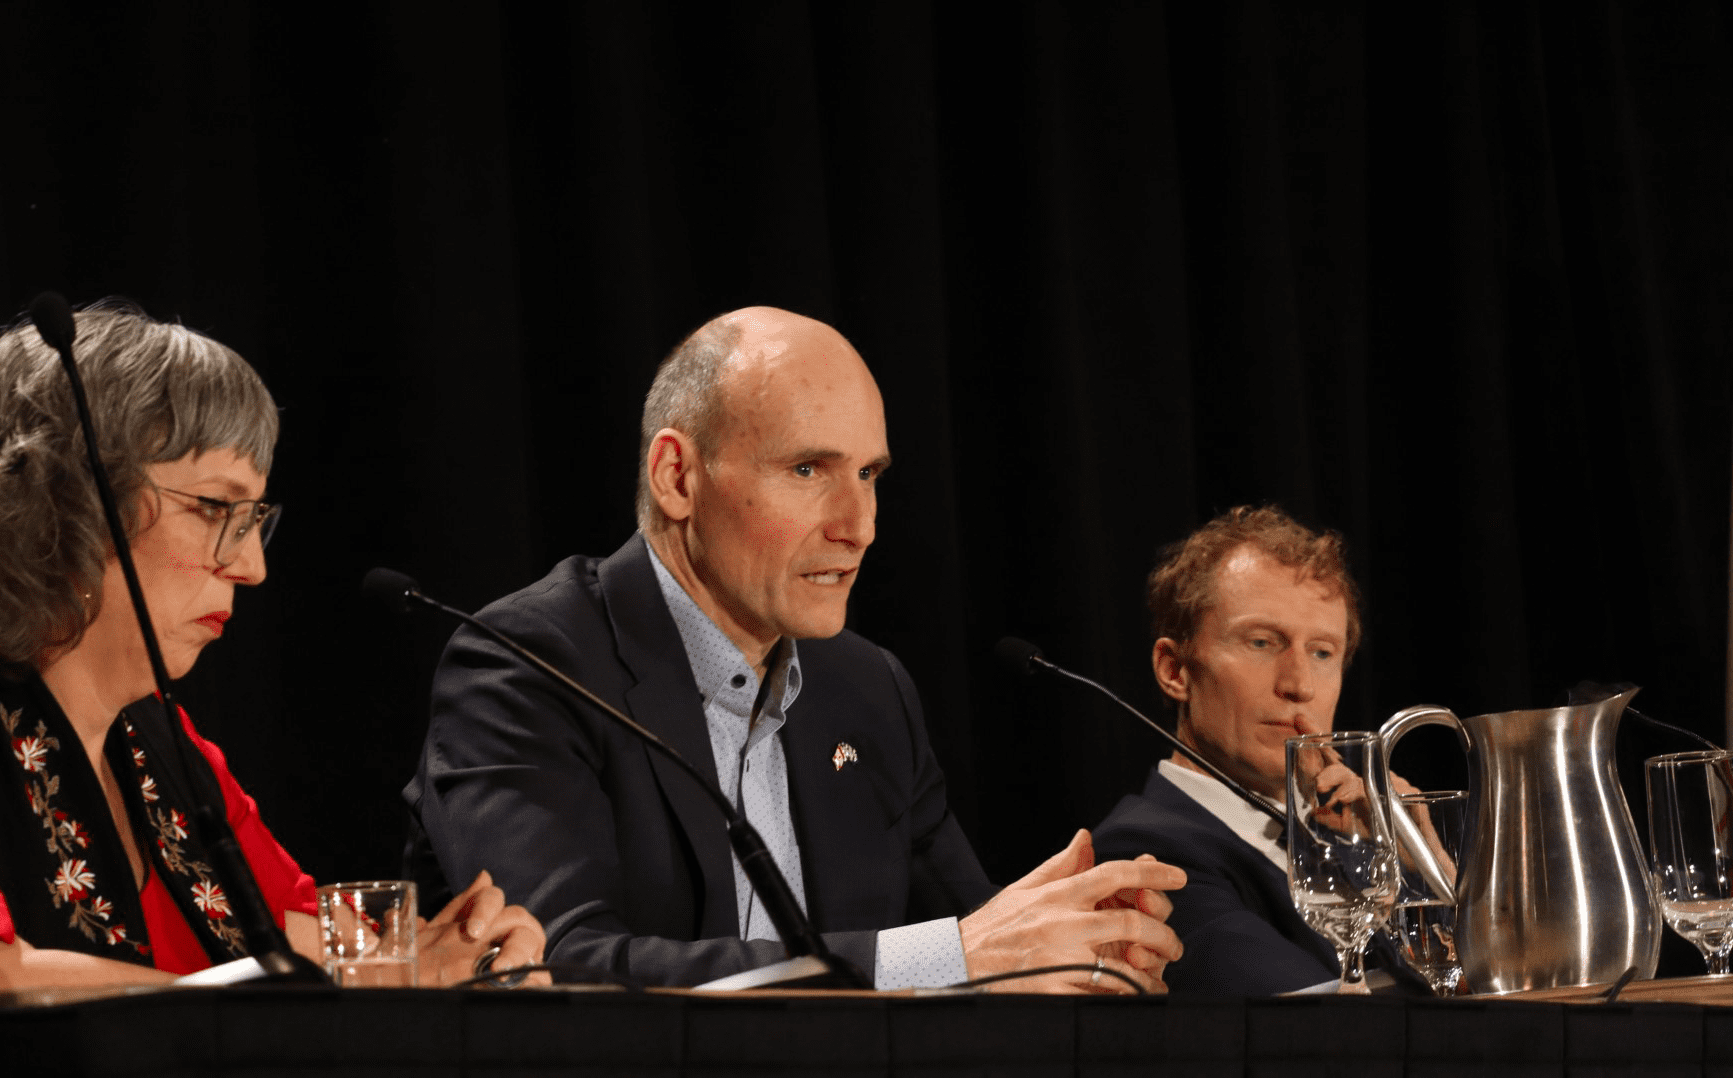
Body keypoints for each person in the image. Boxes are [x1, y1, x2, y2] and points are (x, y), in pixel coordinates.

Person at [406, 306, 1186, 992]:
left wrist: (1072, 947)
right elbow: (553, 965)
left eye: (871, 474)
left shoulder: (867, 689)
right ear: (678, 476)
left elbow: (971, 940)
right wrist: (955, 955)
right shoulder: (528, 666)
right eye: (808, 469)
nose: (860, 526)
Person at [0, 302, 545, 1008]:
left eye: (256, 516)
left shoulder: (167, 746)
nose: (252, 567)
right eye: (213, 508)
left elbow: (335, 961)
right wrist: (265, 1019)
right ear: (60, 499)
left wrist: (455, 965)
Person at [1090, 505, 1380, 994]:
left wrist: (1415, 856)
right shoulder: (1144, 853)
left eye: (1322, 652)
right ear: (1175, 669)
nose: (1299, 685)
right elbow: (1339, 1033)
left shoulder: (1353, 842)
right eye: (1263, 642)